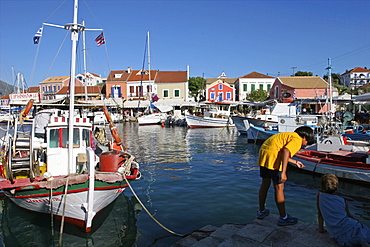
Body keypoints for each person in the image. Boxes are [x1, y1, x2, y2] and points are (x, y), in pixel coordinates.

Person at [256, 126, 315, 226]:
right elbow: (286, 151)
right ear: (304, 137)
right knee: (279, 188)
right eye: (306, 143)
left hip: (265, 156)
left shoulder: (287, 135)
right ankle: (283, 217)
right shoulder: (297, 139)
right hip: (273, 159)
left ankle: (261, 211)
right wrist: (283, 172)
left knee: (265, 184)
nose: (304, 145)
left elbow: (279, 151)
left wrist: (294, 161)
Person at [317, 173, 370, 246]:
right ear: (336, 186)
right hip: (352, 228)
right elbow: (348, 215)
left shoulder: (319, 196)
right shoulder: (342, 200)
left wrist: (321, 229)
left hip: (339, 236)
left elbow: (320, 214)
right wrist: (356, 220)